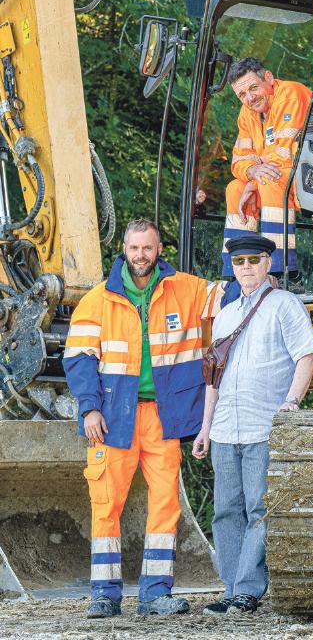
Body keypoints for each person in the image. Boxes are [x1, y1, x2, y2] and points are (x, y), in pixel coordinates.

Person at [63, 218, 224, 619]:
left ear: (159, 249)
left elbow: (235, 293)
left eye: (148, 248)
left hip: (163, 417)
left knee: (166, 502)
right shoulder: (97, 300)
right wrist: (89, 408)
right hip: (113, 417)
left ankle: (155, 593)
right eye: (134, 248)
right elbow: (79, 359)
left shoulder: (185, 289)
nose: (140, 256)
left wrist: (264, 274)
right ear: (124, 249)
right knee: (106, 502)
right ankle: (104, 594)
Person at [192, 234, 313, 615]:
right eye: (239, 262)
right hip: (224, 430)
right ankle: (232, 588)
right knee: (225, 512)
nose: (245, 268)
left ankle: (248, 589)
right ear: (231, 267)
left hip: (263, 427)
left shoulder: (284, 305)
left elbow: (308, 355)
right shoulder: (227, 314)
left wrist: (291, 402)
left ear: (268, 262)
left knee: (258, 510)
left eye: (253, 260)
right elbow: (213, 379)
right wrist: (204, 428)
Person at [222, 57, 312, 283]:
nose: (249, 98)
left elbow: (283, 155)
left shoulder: (291, 93)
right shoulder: (247, 114)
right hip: (276, 179)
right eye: (242, 95)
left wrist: (253, 180)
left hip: (308, 177)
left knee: (267, 180)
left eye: (253, 88)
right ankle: (237, 269)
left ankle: (282, 270)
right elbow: (240, 160)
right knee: (234, 189)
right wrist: (251, 173)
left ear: (269, 78)